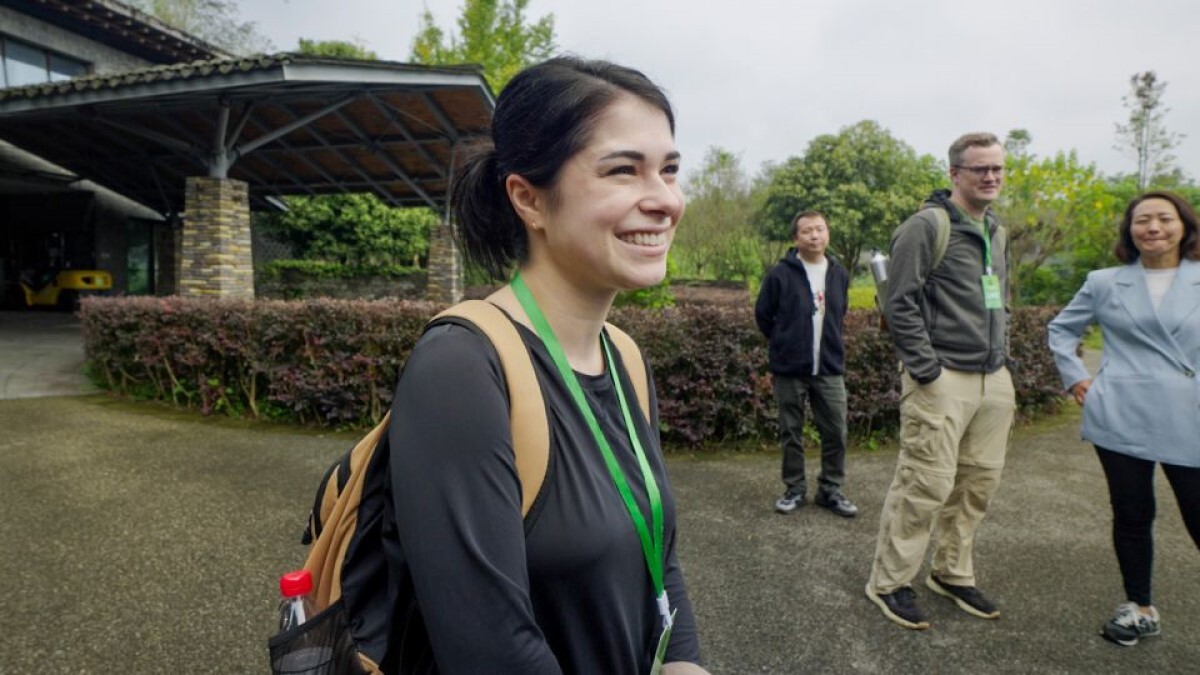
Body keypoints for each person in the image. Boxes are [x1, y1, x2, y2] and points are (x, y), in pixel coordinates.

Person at [382, 57, 708, 674]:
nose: (665, 200)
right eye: (623, 170)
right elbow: (489, 651)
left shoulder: (625, 358)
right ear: (529, 199)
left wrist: (683, 662)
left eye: (669, 170)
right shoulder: (460, 368)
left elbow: (655, 557)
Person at [865, 132, 1015, 630]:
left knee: (978, 484)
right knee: (924, 484)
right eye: (979, 169)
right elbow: (898, 300)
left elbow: (998, 299)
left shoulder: (995, 229)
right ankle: (890, 582)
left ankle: (951, 572)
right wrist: (926, 369)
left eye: (996, 168)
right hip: (942, 376)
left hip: (992, 378)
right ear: (955, 174)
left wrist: (1003, 358)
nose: (990, 177)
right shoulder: (926, 227)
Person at [1047, 191, 1200, 647]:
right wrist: (1076, 378)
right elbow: (1061, 328)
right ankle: (1140, 607)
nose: (1153, 228)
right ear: (1129, 231)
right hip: (1121, 413)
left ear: (1184, 226)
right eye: (1142, 220)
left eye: (1164, 219)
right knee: (1132, 515)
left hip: (1189, 414)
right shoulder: (1105, 281)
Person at [754, 210, 858, 518]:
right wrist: (784, 343)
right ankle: (795, 490)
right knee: (791, 432)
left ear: (828, 234)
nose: (815, 235)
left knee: (837, 431)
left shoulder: (838, 272)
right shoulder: (780, 274)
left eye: (820, 229)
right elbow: (764, 315)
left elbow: (840, 314)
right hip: (790, 368)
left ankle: (831, 490)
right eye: (807, 231)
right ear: (795, 238)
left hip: (829, 367)